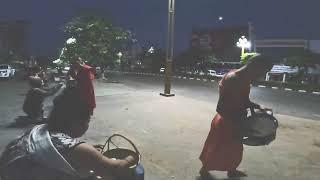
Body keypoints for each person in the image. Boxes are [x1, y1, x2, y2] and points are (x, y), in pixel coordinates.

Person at [0, 85, 135, 180]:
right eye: (87, 120)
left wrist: (88, 153)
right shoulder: (76, 149)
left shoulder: (39, 130)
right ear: (75, 121)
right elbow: (116, 167)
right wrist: (132, 157)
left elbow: (60, 151)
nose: (87, 125)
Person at [199, 54, 273, 178]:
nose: (260, 76)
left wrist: (257, 106)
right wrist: (237, 124)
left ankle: (232, 170)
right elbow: (220, 107)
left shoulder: (243, 78)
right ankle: (204, 170)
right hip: (226, 122)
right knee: (217, 148)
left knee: (235, 149)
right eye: (261, 72)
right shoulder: (233, 79)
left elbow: (243, 100)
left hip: (235, 120)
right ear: (254, 67)